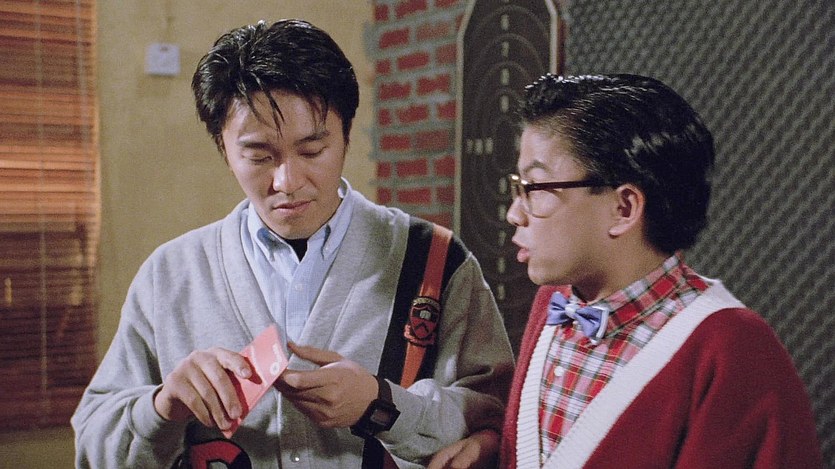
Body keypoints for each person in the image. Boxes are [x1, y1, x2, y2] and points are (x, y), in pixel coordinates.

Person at [72, 19, 514, 469]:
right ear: (224, 149)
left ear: (346, 136)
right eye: (259, 155)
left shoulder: (436, 261)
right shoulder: (170, 275)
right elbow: (92, 446)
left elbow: (500, 424)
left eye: (311, 151)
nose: (287, 181)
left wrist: (381, 405)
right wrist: (162, 406)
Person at [430, 74, 823, 468]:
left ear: (624, 208)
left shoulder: (734, 349)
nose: (514, 213)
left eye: (536, 188)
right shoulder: (555, 303)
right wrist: (493, 447)